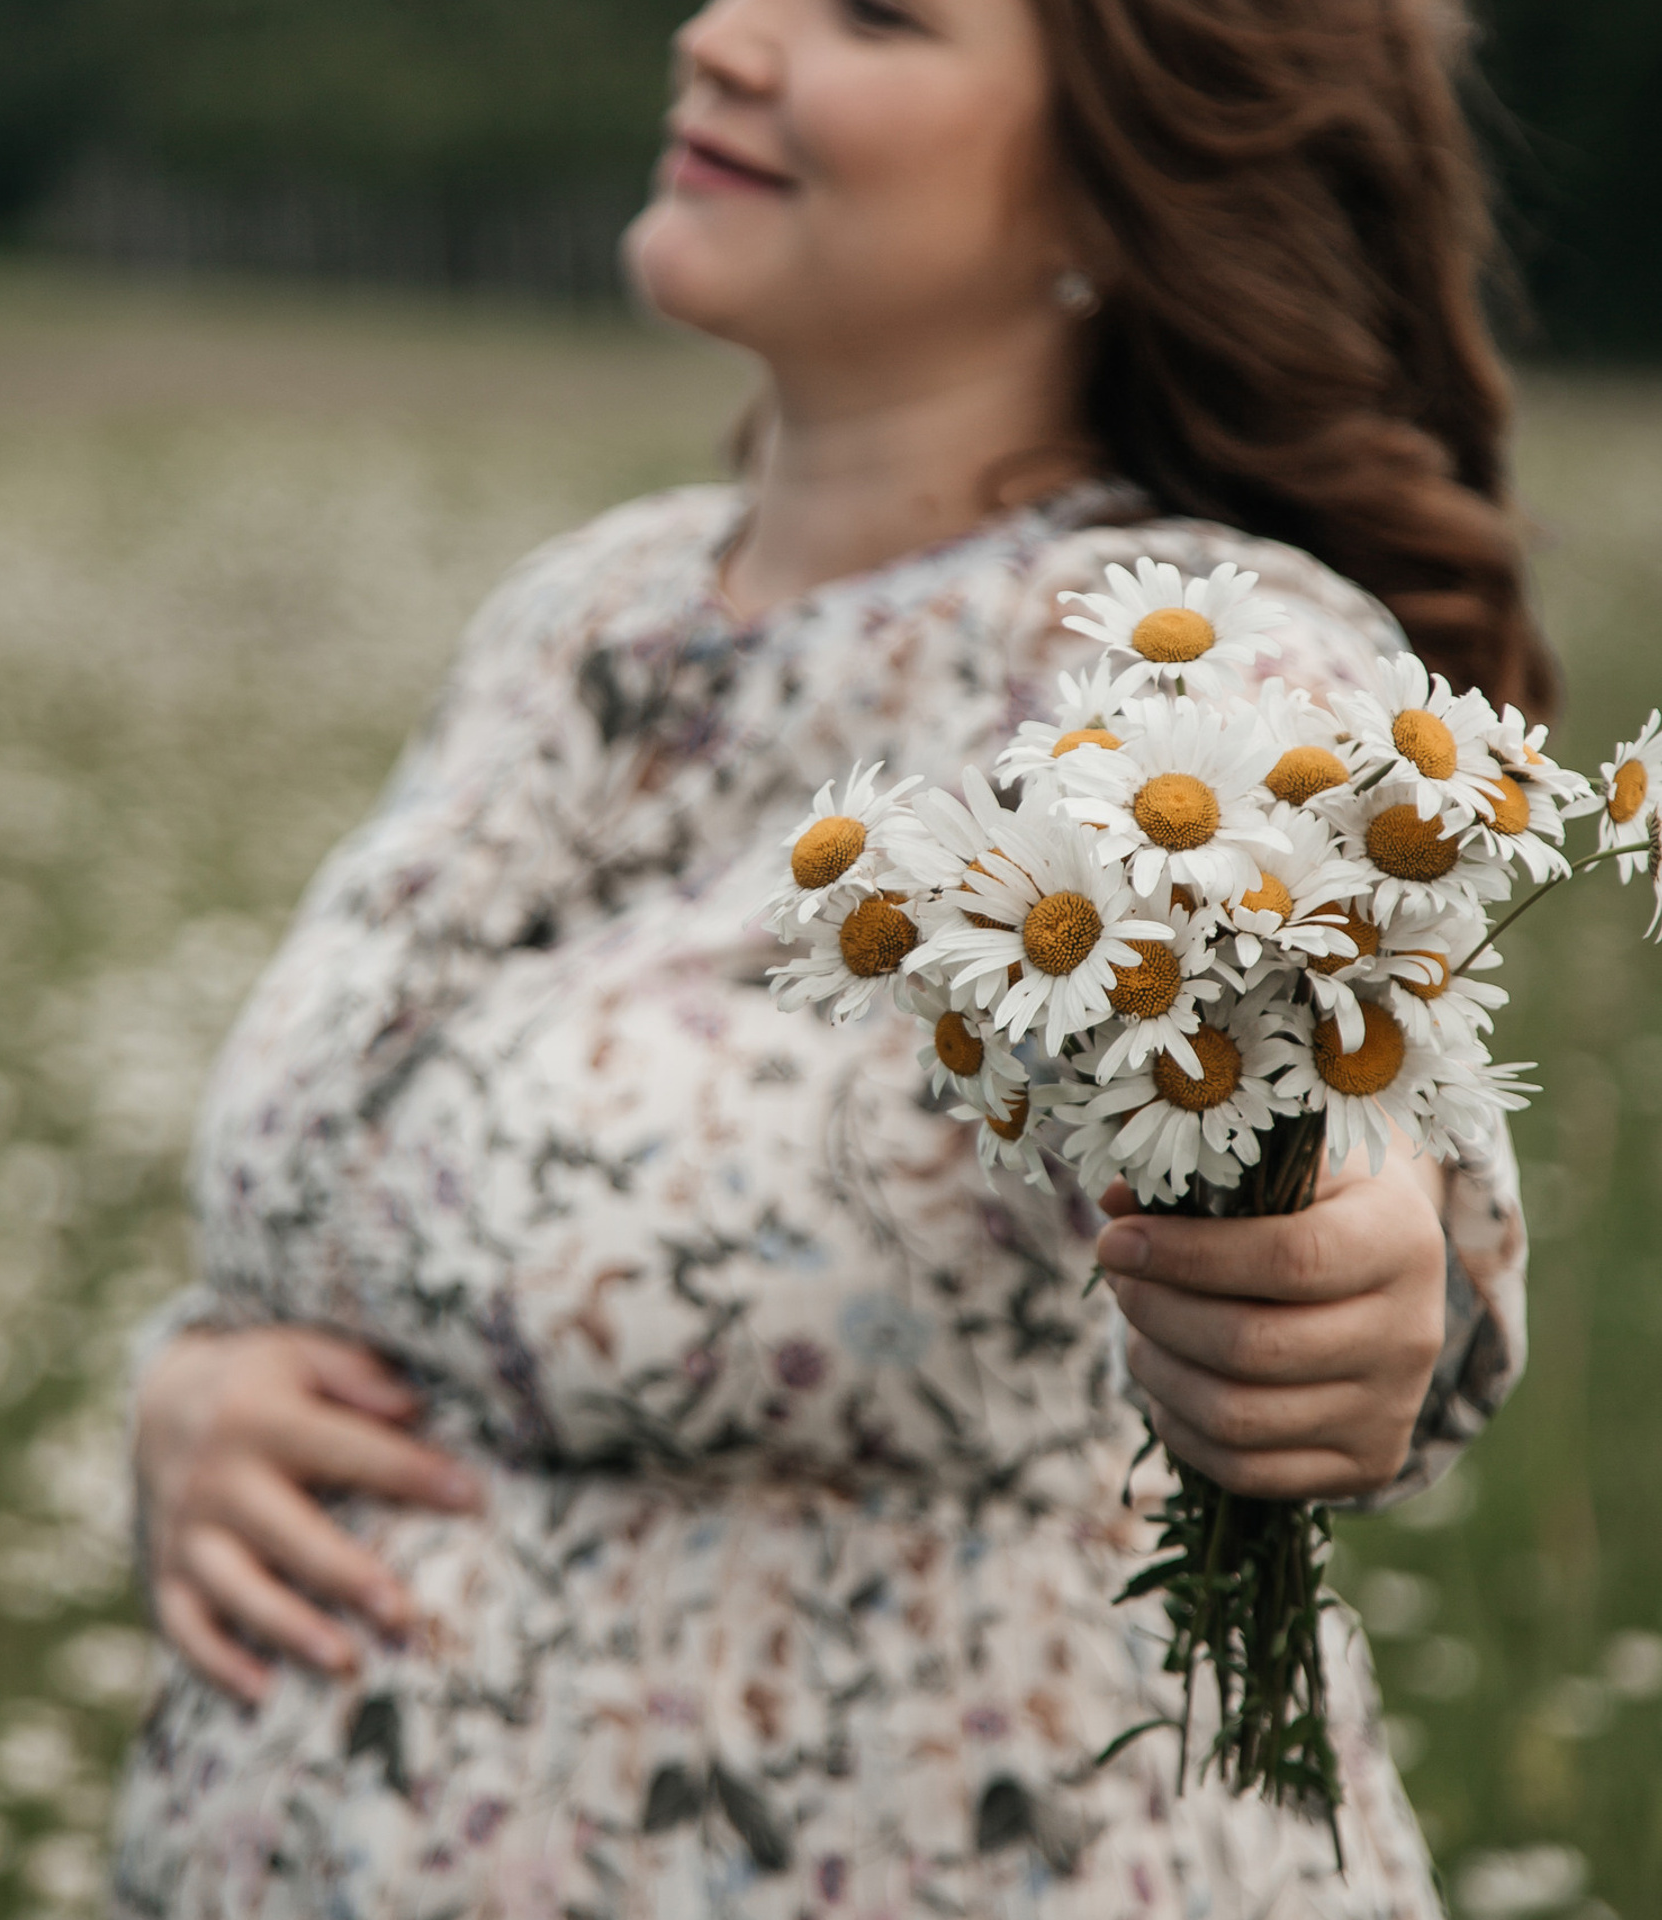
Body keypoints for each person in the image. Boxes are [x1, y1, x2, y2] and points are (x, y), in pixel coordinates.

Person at [111, 0, 1543, 1912]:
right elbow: (368, 1179)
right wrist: (199, 1386)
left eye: (873, 11)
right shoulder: (582, 610)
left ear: (1123, 181)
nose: (722, 33)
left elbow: (1358, 1155)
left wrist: (1352, 1288)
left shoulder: (1199, 664)